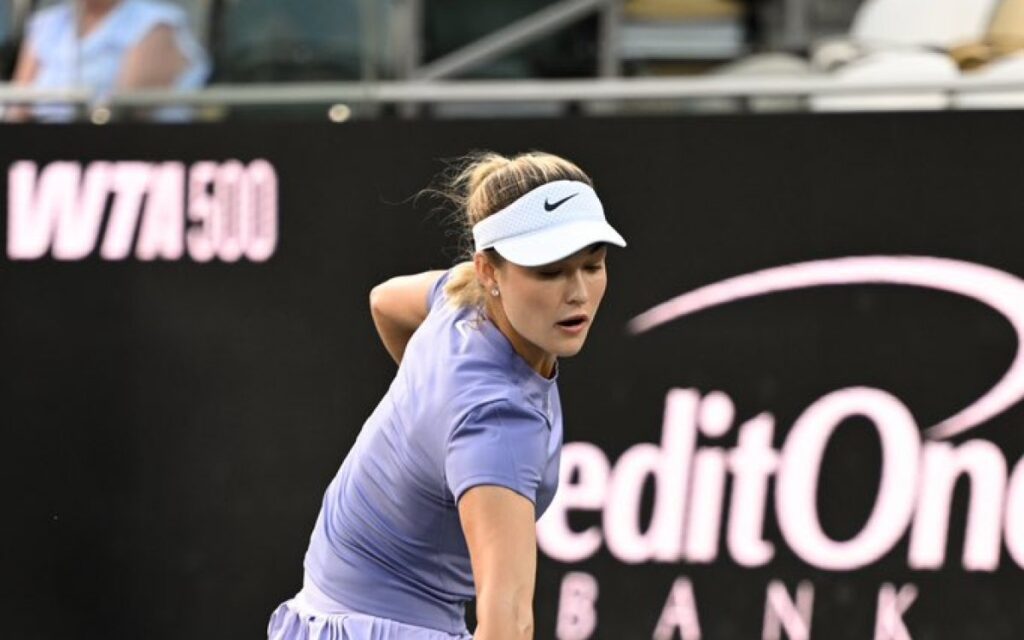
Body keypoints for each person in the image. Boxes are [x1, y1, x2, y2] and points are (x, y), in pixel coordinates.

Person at [267, 151, 627, 640]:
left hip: (322, 618)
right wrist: (450, 423)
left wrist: (433, 423)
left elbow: (384, 300)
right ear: (489, 272)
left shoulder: (456, 298)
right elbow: (508, 625)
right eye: (549, 272)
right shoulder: (497, 423)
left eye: (593, 265)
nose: (578, 292)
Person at [7, 0, 208, 122]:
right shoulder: (46, 24)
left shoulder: (156, 23)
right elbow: (18, 107)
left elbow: (124, 112)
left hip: (125, 154)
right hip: (40, 153)